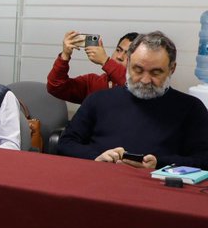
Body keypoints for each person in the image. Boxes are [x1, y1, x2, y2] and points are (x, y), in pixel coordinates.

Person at [56, 31, 208, 168]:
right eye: (138, 70)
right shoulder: (98, 100)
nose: (145, 80)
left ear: (172, 69)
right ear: (128, 63)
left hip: (157, 185)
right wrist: (96, 157)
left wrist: (160, 163)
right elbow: (65, 143)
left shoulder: (191, 108)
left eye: (156, 72)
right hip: (100, 178)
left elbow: (203, 159)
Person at [46, 31, 139, 104]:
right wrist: (65, 56)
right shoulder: (92, 82)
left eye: (128, 54)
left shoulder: (141, 87)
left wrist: (106, 61)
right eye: (118, 50)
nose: (119, 56)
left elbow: (134, 87)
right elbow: (55, 88)